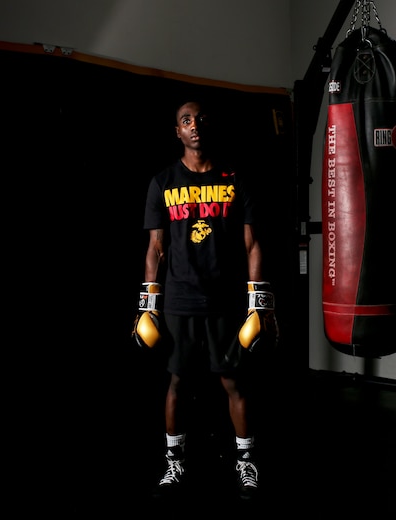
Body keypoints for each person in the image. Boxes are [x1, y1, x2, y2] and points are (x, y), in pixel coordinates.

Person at [132, 98, 278, 500]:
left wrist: (258, 302)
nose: (194, 125)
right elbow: (155, 248)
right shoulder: (162, 182)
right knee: (177, 382)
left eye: (200, 119)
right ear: (177, 132)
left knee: (234, 382)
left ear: (209, 127)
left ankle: (246, 462)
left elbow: (253, 244)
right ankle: (174, 462)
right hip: (179, 300)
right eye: (185, 120)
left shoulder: (236, 181)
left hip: (226, 301)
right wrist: (149, 303)